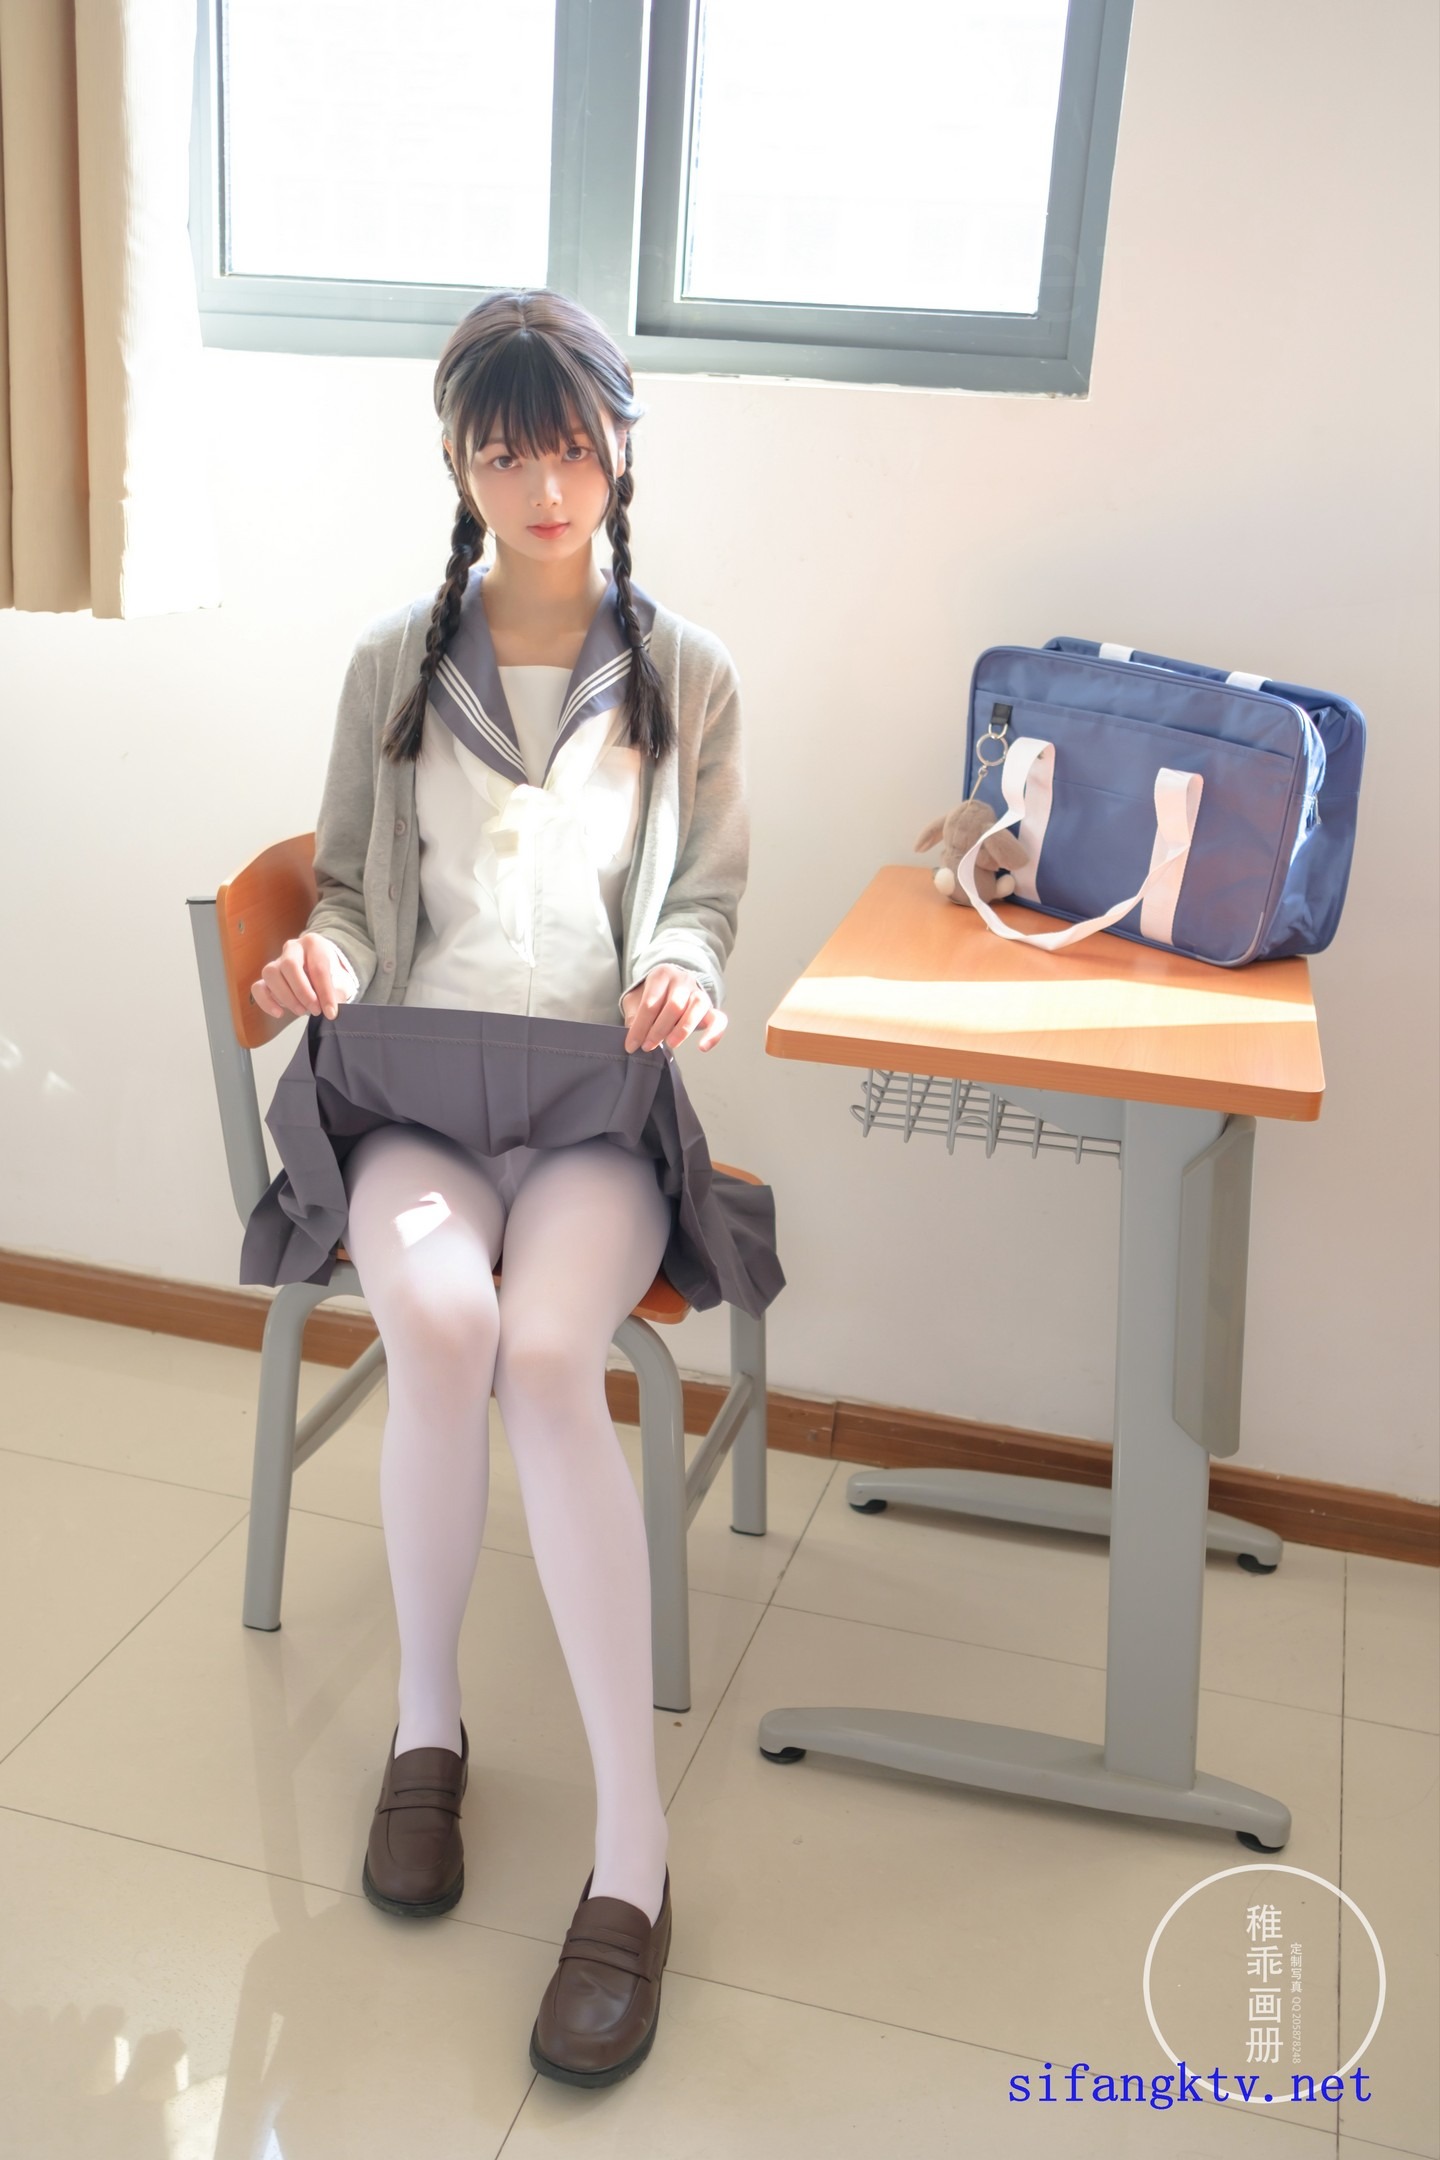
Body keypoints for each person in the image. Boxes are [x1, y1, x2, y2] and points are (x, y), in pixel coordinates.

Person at [248, 287, 751, 2088]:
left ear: (621, 452)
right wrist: (324, 957)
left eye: (572, 448)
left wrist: (682, 969)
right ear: (459, 465)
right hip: (416, 1107)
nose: (544, 486)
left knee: (550, 1356)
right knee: (447, 1331)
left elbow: (705, 897)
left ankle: (633, 1850)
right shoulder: (395, 664)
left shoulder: (687, 673)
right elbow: (348, 890)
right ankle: (427, 1733)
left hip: (595, 1113)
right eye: (503, 450)